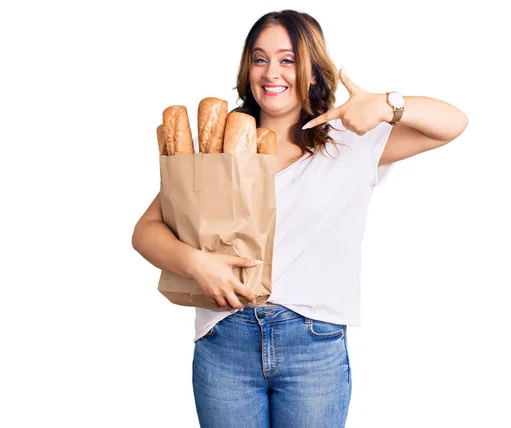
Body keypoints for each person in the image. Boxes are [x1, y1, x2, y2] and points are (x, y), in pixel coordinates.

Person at [132, 9, 468, 428]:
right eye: (260, 59)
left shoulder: (350, 142)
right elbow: (145, 231)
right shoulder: (218, 152)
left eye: (287, 60)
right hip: (225, 341)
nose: (272, 72)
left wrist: (386, 106)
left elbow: (453, 124)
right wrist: (198, 265)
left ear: (311, 72)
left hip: (314, 344)